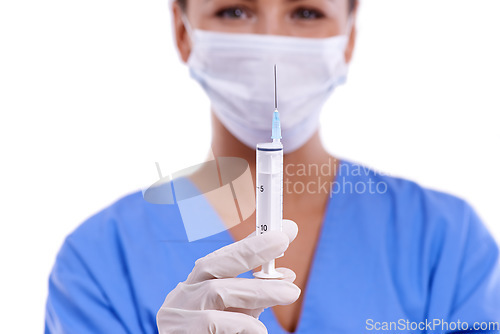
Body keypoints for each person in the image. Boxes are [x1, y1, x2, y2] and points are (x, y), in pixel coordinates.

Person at [44, 0, 500, 333]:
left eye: (305, 12)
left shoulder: (445, 241)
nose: (271, 41)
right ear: (183, 33)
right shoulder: (103, 259)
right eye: (235, 11)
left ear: (350, 37)